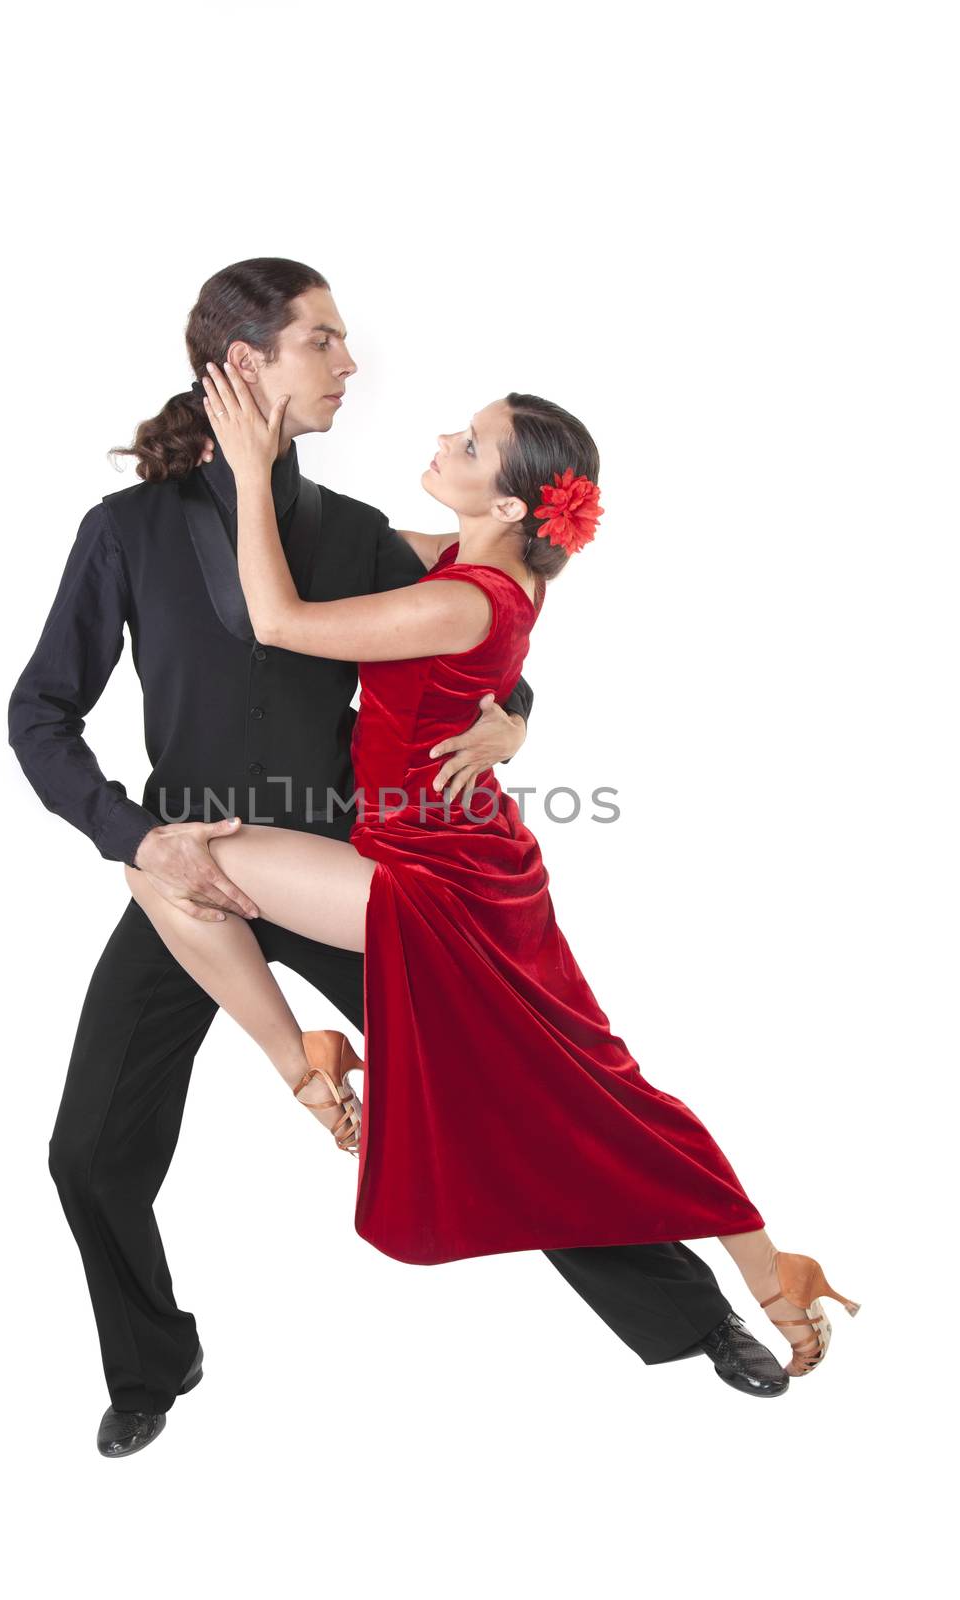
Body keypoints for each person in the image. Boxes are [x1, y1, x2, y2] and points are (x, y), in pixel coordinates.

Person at [8, 259, 790, 1462]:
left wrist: (516, 719)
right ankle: (154, 1365)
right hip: (194, 873)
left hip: (350, 877)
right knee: (88, 1151)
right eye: (323, 341)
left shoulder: (355, 533)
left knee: (520, 1097)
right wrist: (137, 836)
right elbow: (40, 714)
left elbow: (485, 639)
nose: (350, 363)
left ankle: (695, 1320)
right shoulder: (125, 533)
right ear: (244, 365)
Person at [124, 349, 862, 1399]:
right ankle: (770, 1271)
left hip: (434, 882)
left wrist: (248, 471)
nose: (438, 442)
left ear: (511, 499)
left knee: (166, 865)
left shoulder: (465, 596)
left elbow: (282, 621)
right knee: (592, 1086)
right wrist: (511, 716)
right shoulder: (467, 567)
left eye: (466, 444)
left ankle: (304, 1064)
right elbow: (456, 626)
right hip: (468, 858)